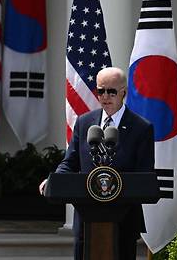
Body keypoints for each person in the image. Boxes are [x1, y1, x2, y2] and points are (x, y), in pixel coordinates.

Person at [39, 66, 155, 260]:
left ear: (123, 93)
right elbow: (71, 161)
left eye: (112, 91)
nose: (106, 96)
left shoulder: (141, 128)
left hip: (124, 218)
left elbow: (144, 173)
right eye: (101, 91)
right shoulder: (85, 122)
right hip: (87, 218)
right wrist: (55, 180)